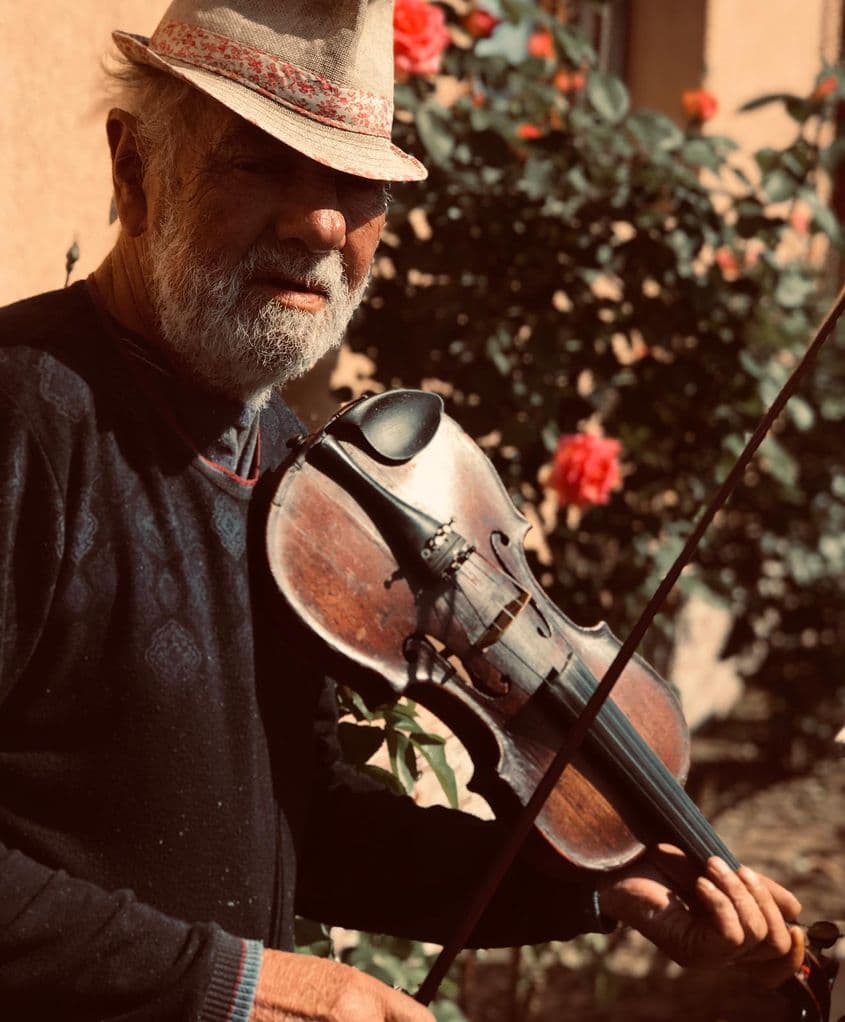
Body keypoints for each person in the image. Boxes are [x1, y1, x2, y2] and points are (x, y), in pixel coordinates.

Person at [0, 2, 806, 1020]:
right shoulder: (23, 413)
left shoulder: (295, 479)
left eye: (355, 181)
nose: (321, 221)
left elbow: (309, 826)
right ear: (131, 167)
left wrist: (598, 888)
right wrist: (250, 986)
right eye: (257, 163)